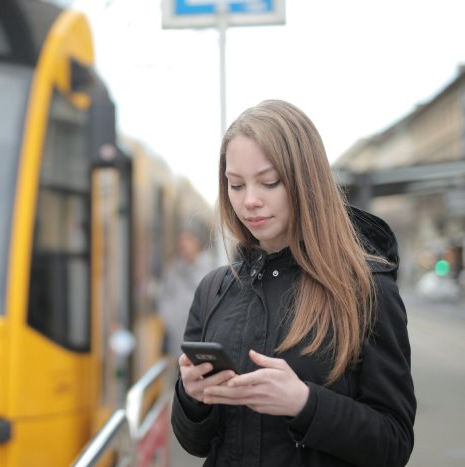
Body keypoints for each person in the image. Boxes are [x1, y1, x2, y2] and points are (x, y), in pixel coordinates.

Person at [171, 100, 416, 466]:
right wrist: (192, 398)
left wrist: (304, 403)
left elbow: (394, 443)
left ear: (306, 181)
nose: (250, 201)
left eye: (269, 182)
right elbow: (195, 443)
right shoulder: (214, 290)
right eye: (236, 185)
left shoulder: (365, 289)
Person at [158, 222, 215, 364]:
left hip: (203, 343)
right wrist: (170, 321)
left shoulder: (212, 269)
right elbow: (164, 299)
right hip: (178, 343)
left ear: (198, 242)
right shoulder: (173, 270)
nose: (183, 244)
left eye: (188, 239)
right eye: (181, 239)